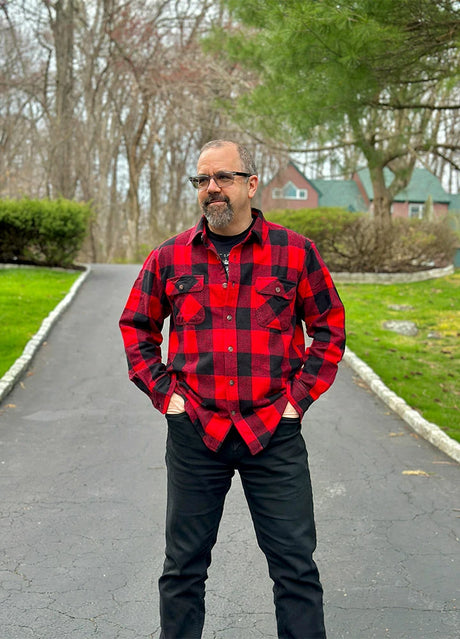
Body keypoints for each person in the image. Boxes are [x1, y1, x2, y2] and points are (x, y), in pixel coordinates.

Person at [119, 139, 346, 639]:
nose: (211, 189)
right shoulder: (170, 257)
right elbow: (136, 325)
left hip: (273, 432)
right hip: (196, 431)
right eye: (202, 180)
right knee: (182, 569)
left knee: (296, 570)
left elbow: (329, 326)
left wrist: (298, 400)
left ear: (251, 183)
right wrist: (166, 395)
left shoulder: (295, 252)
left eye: (222, 178)